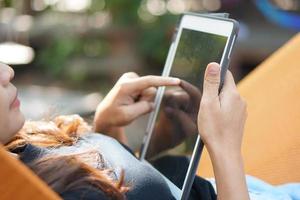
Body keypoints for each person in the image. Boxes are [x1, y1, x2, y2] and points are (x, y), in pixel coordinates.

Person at [0, 61, 249, 200]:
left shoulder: (12, 151)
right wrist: (225, 149)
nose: (7, 71)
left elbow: (114, 187)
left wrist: (108, 131)